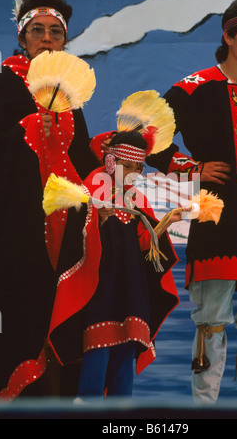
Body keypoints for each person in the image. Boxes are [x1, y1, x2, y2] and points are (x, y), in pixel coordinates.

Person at [145, 0, 237, 404]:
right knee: (210, 321)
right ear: (228, 36)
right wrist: (190, 168)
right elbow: (148, 131)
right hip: (217, 219)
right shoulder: (196, 88)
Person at [0, 0, 99, 400]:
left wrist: (108, 168)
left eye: (55, 32)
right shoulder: (3, 84)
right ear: (22, 37)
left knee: (62, 310)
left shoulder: (69, 93)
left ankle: (61, 401)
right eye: (37, 30)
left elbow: (83, 159)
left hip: (65, 223)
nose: (46, 38)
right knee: (21, 307)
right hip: (15, 221)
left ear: (64, 41)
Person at [47, 128, 181, 399]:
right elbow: (76, 235)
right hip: (101, 284)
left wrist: (167, 221)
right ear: (111, 162)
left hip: (132, 284)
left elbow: (146, 244)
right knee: (98, 347)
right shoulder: (93, 184)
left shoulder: (135, 196)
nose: (133, 172)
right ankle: (89, 403)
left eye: (138, 168)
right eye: (127, 166)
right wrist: (100, 219)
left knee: (126, 348)